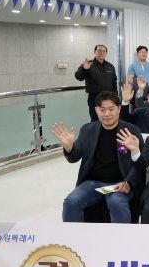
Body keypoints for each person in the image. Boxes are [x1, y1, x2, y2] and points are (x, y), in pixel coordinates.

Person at [53, 91, 142, 223]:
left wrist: (128, 182)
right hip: (92, 183)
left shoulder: (131, 131)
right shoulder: (87, 130)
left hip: (120, 183)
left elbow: (140, 163)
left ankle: (122, 236)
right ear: (96, 110)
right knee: (71, 201)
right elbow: (74, 157)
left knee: (116, 203)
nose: (107, 114)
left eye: (111, 109)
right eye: (102, 109)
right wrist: (69, 147)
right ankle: (73, 235)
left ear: (119, 109)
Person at [75, 44, 117, 122]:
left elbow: (114, 82)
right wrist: (85, 69)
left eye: (104, 51)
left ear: (106, 53)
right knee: (95, 120)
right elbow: (78, 77)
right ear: (95, 52)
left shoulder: (110, 66)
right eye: (99, 50)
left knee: (109, 119)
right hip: (94, 98)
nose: (101, 53)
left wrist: (116, 98)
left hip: (109, 98)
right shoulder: (89, 64)